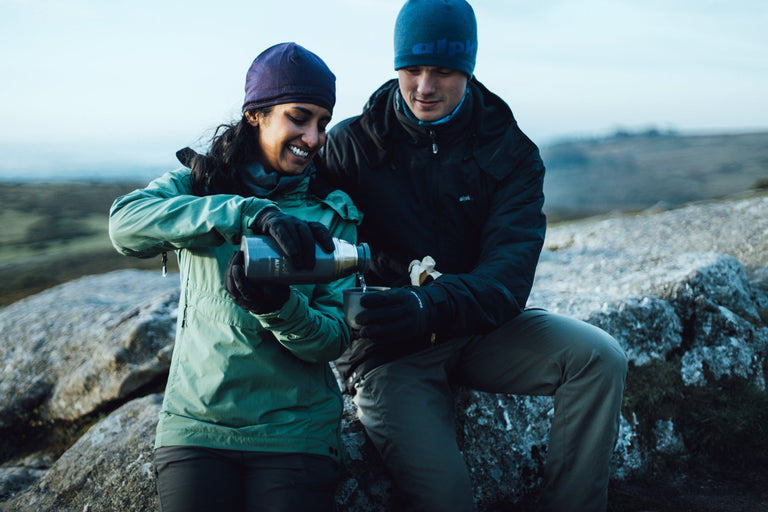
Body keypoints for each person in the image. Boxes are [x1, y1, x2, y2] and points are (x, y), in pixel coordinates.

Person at [317, 1, 629, 511]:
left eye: (443, 71)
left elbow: (507, 279)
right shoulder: (351, 146)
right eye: (412, 69)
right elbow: (297, 216)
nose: (424, 87)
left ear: (469, 68)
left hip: (479, 329)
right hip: (389, 355)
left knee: (599, 358)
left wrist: (431, 304)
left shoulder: (509, 152)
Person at [109, 42, 362, 512]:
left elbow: (333, 340)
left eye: (323, 123)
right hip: (197, 426)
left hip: (294, 432)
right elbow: (124, 226)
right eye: (300, 117)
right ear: (256, 115)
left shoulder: (332, 216)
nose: (314, 137)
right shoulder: (200, 183)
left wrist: (277, 307)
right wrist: (247, 213)